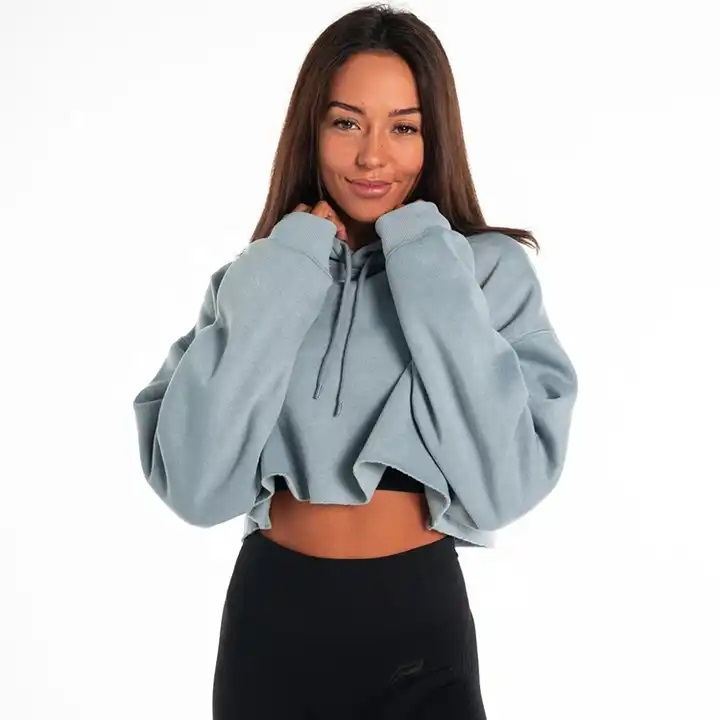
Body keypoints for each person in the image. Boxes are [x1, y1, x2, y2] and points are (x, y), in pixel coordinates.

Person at [131, 4, 579, 718]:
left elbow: (506, 486)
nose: (373, 156)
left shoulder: (485, 272)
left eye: (404, 127)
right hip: (270, 625)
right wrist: (287, 266)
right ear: (310, 131)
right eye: (346, 123)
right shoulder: (260, 275)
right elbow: (195, 487)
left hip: (417, 625)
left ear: (435, 138)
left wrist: (423, 251)